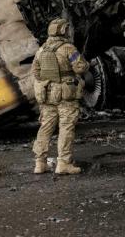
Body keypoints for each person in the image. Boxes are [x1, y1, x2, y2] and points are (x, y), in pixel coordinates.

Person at [31, 17, 89, 175]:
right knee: (66, 128)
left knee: (45, 128)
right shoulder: (68, 48)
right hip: (65, 95)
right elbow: (80, 67)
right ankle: (63, 163)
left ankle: (40, 163)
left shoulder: (42, 49)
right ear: (64, 31)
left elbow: (35, 72)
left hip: (47, 94)